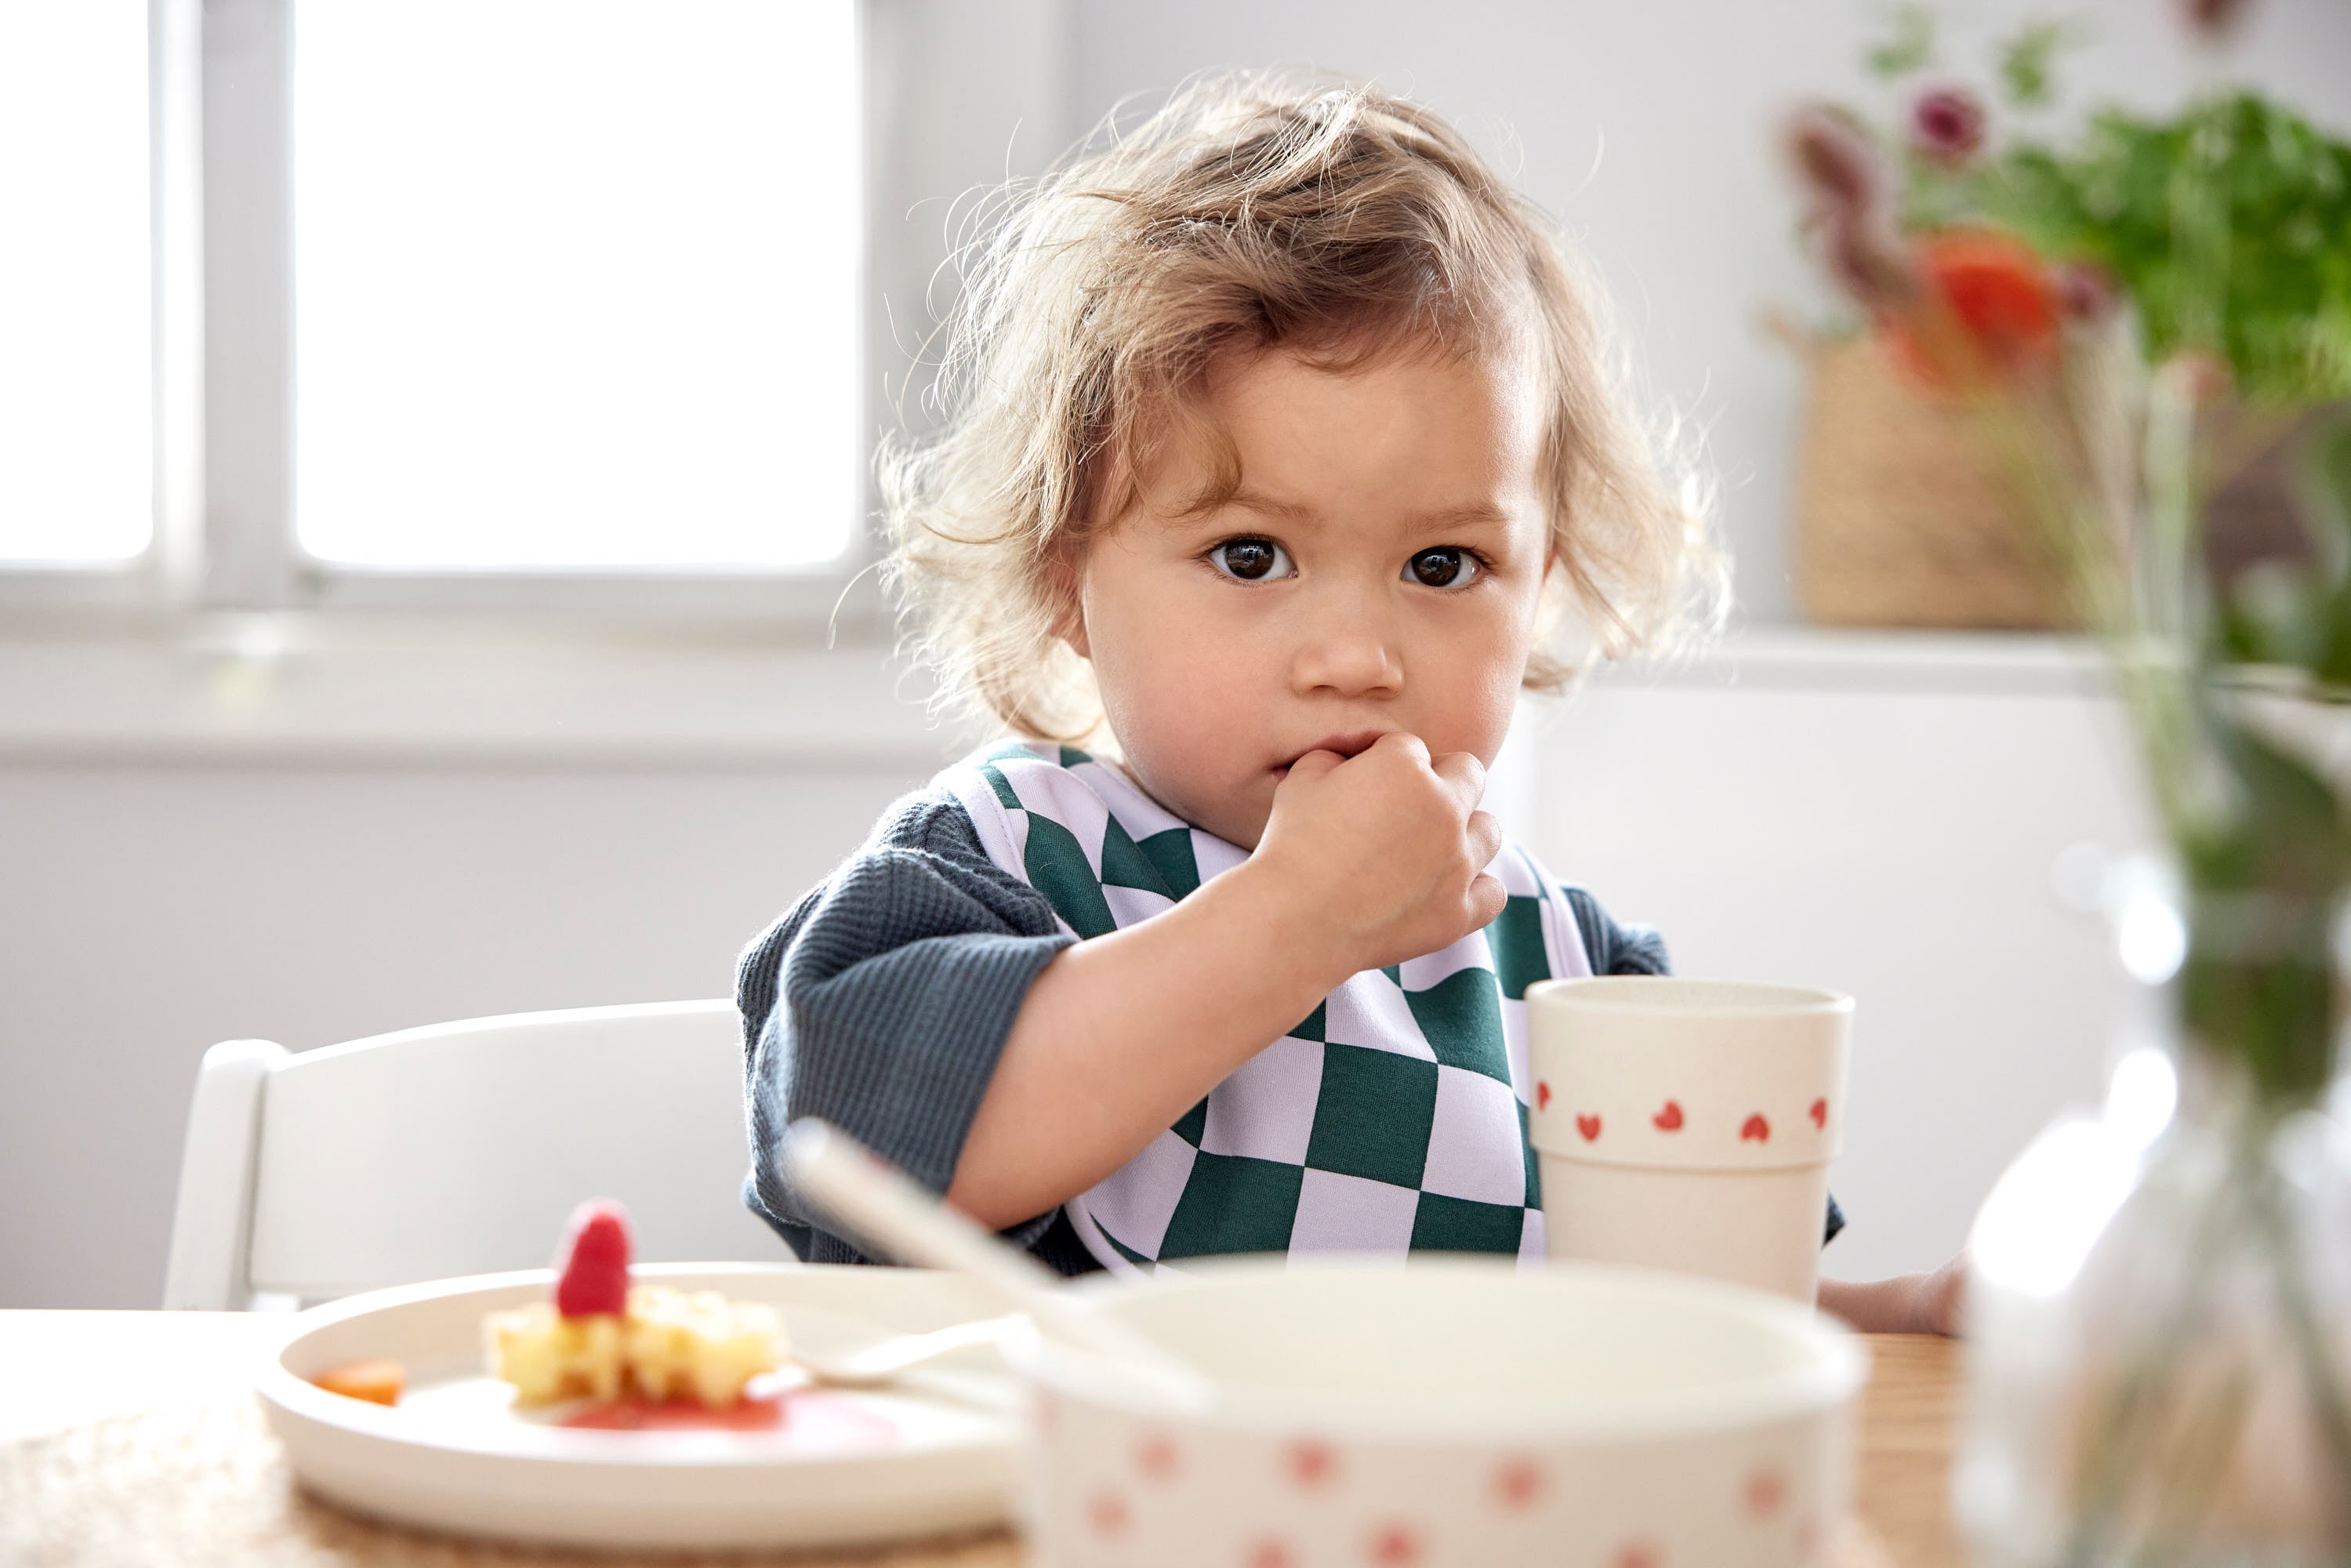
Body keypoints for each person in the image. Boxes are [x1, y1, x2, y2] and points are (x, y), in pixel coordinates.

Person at [738, 72, 1964, 1336]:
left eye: (1443, 567)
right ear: (1068, 582)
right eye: (1252, 555)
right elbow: (864, 1153)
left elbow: (1687, 1308)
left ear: (1540, 585)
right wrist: (1302, 917)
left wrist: (1899, 1311)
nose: (1358, 657)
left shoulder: (1569, 968)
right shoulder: (996, 865)